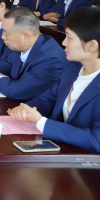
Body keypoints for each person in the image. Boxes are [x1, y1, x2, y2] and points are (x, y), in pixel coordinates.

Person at [7, 8, 100, 153]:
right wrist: (26, 109)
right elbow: (49, 98)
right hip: (58, 148)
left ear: (92, 46)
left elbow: (96, 140)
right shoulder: (73, 67)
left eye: (69, 37)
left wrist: (41, 122)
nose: (64, 42)